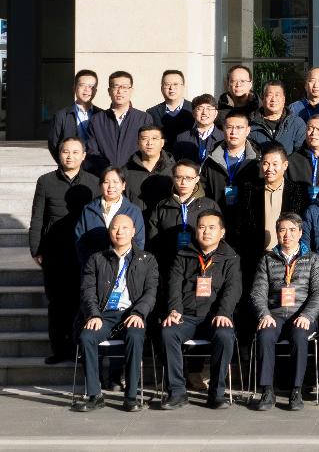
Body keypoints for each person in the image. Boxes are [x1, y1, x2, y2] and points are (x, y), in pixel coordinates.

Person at [72, 214, 159, 412]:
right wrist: (93, 314)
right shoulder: (96, 259)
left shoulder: (147, 260)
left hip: (132, 314)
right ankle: (94, 395)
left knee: (135, 336)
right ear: (109, 231)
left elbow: (151, 293)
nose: (120, 232)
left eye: (125, 228)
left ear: (133, 231)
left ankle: (131, 396)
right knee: (86, 337)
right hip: (104, 315)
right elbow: (87, 291)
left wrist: (138, 313)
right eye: (115, 228)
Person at [161, 209, 242, 410]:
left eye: (212, 227)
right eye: (202, 227)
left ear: (222, 232)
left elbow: (233, 289)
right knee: (168, 332)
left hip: (214, 317)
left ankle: (217, 393)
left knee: (224, 335)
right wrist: (174, 310)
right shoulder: (183, 254)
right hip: (186, 316)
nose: (206, 231)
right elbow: (173, 285)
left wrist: (223, 312)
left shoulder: (231, 257)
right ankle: (177, 392)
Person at [29, 137, 100, 364]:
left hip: (84, 251)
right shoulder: (45, 181)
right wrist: (36, 249)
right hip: (55, 251)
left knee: (82, 300)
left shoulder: (93, 182)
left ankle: (81, 348)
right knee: (57, 303)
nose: (70, 156)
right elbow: (37, 217)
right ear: (59, 154)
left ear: (84, 155)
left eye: (75, 152)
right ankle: (59, 349)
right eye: (65, 151)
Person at [249, 213, 319, 412]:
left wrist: (307, 315)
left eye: (292, 230)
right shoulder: (267, 260)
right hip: (274, 314)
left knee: (299, 336)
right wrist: (264, 314)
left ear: (300, 233)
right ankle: (267, 390)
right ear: (277, 233)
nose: (287, 235)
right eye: (282, 230)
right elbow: (258, 292)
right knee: (265, 335)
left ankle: (296, 390)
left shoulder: (314, 259)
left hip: (302, 315)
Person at [146, 160, 219, 306]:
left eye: (188, 178)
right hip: (169, 268)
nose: (183, 182)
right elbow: (153, 240)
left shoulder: (209, 205)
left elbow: (218, 238)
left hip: (200, 268)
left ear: (197, 179)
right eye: (178, 177)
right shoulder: (162, 206)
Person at [235, 145, 311, 283]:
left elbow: (303, 227)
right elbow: (240, 226)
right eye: (266, 163)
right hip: (256, 258)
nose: (270, 168)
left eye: (275, 164)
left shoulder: (298, 192)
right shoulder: (249, 190)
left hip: (288, 259)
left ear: (285, 165)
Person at [75, 167, 146, 267]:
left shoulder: (133, 211)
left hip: (125, 268)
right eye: (106, 182)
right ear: (100, 185)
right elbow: (80, 241)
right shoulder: (88, 210)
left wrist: (128, 266)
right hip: (94, 267)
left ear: (123, 185)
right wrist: (89, 265)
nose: (111, 186)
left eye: (116, 182)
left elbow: (139, 242)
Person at [86, 71, 154, 172]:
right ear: (109, 91)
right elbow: (92, 152)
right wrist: (109, 172)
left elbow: (148, 150)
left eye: (124, 87)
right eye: (116, 87)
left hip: (135, 174)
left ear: (131, 90)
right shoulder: (97, 120)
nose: (120, 91)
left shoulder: (144, 118)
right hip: (106, 177)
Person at [199, 111, 261, 221]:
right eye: (229, 127)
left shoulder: (258, 160)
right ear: (223, 129)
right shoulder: (211, 161)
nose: (233, 132)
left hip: (249, 222)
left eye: (239, 127)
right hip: (217, 220)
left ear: (248, 130)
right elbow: (203, 194)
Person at [48, 70, 101, 164]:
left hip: (96, 166)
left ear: (95, 91)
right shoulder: (62, 115)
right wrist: (66, 165)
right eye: (82, 85)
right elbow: (53, 145)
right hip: (71, 166)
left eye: (91, 86)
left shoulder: (102, 115)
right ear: (74, 88)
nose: (87, 89)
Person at [122, 125, 176, 220]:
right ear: (138, 143)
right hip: (135, 223)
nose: (149, 143)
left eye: (154, 138)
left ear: (162, 142)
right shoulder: (126, 171)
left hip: (166, 224)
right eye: (144, 139)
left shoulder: (174, 170)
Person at [248, 80, 307, 155]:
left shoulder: (296, 123)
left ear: (284, 99)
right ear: (262, 98)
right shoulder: (251, 123)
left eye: (277, 95)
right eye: (269, 95)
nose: (273, 99)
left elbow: (300, 153)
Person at [145, 70, 194, 152]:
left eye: (175, 84)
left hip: (189, 157)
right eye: (167, 84)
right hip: (163, 157)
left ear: (183, 87)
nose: (171, 88)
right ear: (161, 88)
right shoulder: (152, 113)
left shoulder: (194, 109)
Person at [173, 94, 224, 165]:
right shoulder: (181, 138)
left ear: (216, 113)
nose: (204, 113)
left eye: (209, 108)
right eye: (200, 108)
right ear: (193, 113)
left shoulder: (224, 138)